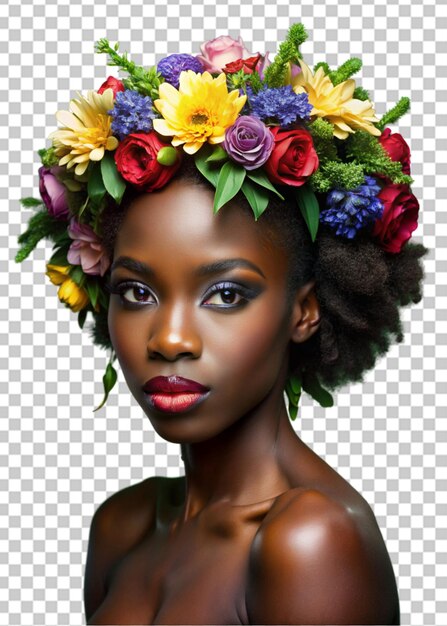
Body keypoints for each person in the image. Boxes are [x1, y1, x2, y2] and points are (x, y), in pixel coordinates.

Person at [15, 23, 427, 625]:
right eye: (136, 290)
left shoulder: (309, 542)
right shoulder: (122, 527)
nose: (169, 339)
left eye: (226, 293)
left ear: (305, 311)